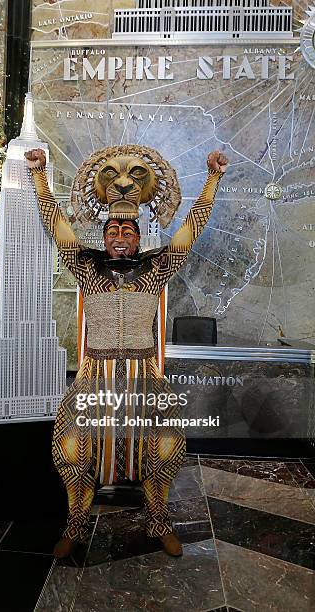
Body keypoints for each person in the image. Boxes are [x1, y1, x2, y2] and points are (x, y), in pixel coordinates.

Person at [25, 146, 228, 558]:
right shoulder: (85, 268)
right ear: (104, 236)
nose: (119, 238)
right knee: (74, 446)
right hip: (95, 372)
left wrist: (213, 179)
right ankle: (76, 527)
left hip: (143, 374)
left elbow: (191, 226)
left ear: (139, 237)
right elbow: (58, 224)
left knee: (162, 446)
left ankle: (159, 523)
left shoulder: (157, 269)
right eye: (113, 232)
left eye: (128, 232)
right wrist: (39, 175)